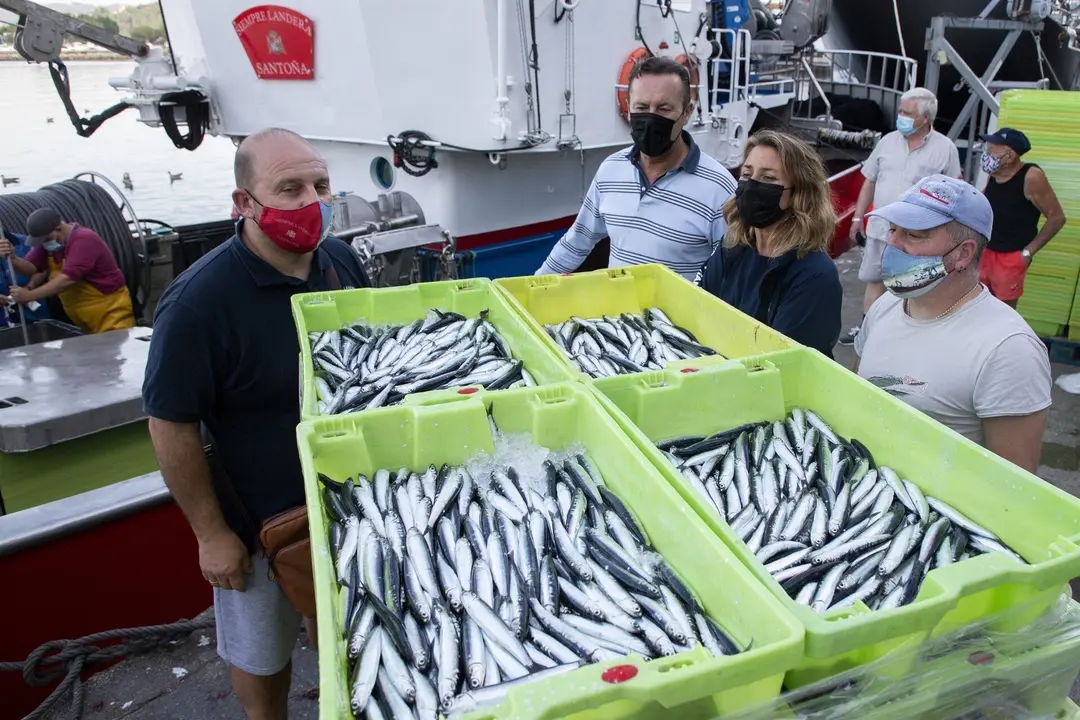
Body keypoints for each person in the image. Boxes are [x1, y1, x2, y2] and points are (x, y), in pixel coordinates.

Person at [142, 128, 370, 720]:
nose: (308, 203)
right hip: (257, 519)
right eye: (288, 189)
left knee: (342, 622)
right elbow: (170, 423)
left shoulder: (341, 261)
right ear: (244, 203)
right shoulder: (199, 302)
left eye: (319, 186)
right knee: (262, 652)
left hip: (349, 501)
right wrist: (211, 535)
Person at [854, 175, 1051, 473]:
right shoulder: (887, 306)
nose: (892, 245)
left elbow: (1014, 484)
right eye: (893, 230)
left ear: (963, 253)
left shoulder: (1008, 349)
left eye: (913, 235)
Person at [536, 55, 737, 279]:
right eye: (641, 107)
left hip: (673, 316)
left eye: (663, 109)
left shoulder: (719, 187)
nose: (651, 117)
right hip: (616, 314)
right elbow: (577, 241)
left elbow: (730, 270)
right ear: (629, 109)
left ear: (687, 113)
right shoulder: (611, 170)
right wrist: (533, 287)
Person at [694, 130, 842, 357]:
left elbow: (785, 362)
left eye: (769, 178)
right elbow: (699, 310)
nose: (752, 185)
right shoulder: (732, 247)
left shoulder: (815, 275)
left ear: (798, 194)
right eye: (746, 174)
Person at [840, 87, 962, 346]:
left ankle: (902, 335)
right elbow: (869, 181)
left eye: (906, 112)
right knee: (874, 280)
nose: (900, 116)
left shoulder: (946, 148)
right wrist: (856, 218)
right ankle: (866, 330)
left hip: (917, 235)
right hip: (880, 228)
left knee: (911, 284)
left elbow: (953, 191)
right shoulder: (887, 142)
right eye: (900, 111)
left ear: (925, 118)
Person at [0, 208, 134, 333]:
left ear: (58, 228)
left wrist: (30, 295)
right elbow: (31, 267)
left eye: (46, 239)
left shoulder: (84, 239)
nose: (44, 243)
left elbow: (67, 279)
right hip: (82, 316)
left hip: (110, 311)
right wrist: (13, 257)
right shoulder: (47, 244)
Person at [979, 127, 1065, 307]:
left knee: (1002, 311)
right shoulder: (994, 174)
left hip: (1010, 256)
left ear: (1009, 156)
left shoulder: (1031, 176)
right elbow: (986, 202)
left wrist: (1027, 253)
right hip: (986, 250)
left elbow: (1057, 218)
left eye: (991, 151)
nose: (987, 155)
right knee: (978, 303)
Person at [0, 227, 50, 325]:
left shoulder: (23, 242)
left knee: (40, 335)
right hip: (3, 318)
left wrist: (29, 289)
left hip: (33, 311)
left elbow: (41, 268)